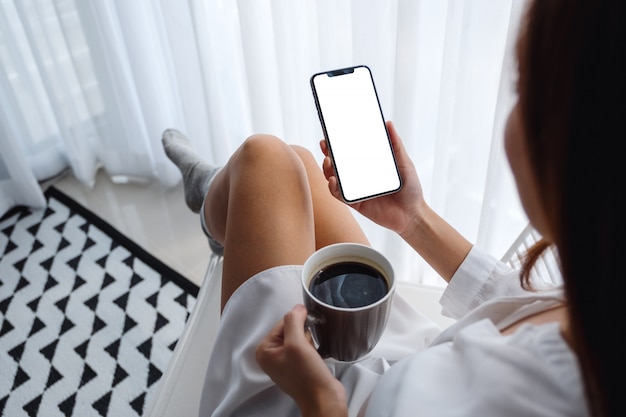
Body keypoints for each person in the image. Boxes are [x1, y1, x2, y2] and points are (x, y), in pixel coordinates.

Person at [161, 0, 623, 415]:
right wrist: (413, 218)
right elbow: (512, 300)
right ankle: (218, 202)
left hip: (310, 398)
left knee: (264, 160)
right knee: (298, 163)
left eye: (524, 89)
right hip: (412, 364)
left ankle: (211, 203)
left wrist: (320, 399)